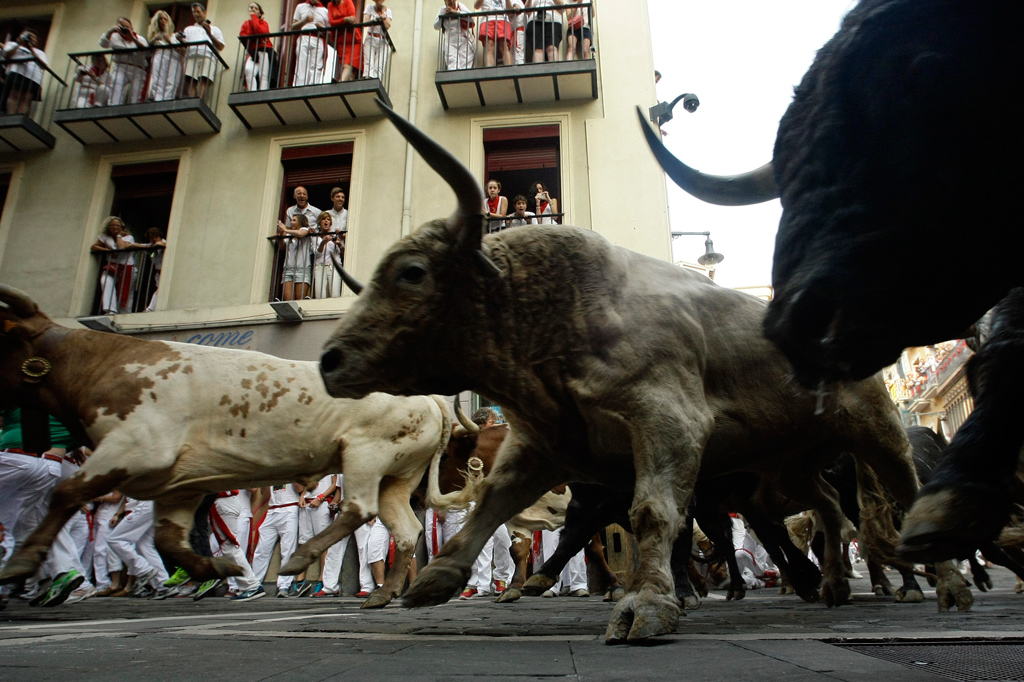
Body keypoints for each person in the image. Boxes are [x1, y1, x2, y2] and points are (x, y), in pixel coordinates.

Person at [250, 484, 304, 597]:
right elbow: (264, 493)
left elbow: (301, 489)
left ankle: (284, 585)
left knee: (287, 549)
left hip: (289, 508)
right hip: (272, 509)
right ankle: (254, 584)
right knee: (261, 549)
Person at [211, 490, 263, 600]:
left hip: (223, 500)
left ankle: (251, 586)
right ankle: (248, 586)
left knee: (230, 547)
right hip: (221, 501)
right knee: (227, 547)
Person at [278, 185, 319, 301]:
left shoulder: (304, 230)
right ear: (294, 196)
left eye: (294, 220)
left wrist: (285, 229)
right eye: (291, 220)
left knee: (299, 302)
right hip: (288, 269)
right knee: (288, 301)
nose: (291, 221)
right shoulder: (289, 233)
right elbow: (282, 247)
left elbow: (301, 234)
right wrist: (282, 233)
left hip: (302, 269)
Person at [90, 216, 136, 315]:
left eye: (117, 226)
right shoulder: (104, 236)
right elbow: (94, 247)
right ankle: (110, 310)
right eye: (112, 225)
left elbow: (122, 248)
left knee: (126, 293)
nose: (115, 227)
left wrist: (118, 236)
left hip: (127, 268)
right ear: (108, 227)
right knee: (105, 281)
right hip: (112, 266)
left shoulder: (128, 237)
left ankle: (125, 314)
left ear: (122, 227)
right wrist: (106, 250)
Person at [99, 18, 148, 105]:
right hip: (120, 66)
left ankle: (135, 110)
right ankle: (113, 108)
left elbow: (146, 52)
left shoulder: (140, 39)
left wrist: (132, 38)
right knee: (116, 87)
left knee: (136, 92)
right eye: (122, 26)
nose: (125, 29)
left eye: (127, 27)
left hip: (138, 68)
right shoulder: (114, 36)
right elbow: (103, 44)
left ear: (132, 28)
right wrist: (111, 31)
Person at [182, 3, 225, 99]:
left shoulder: (215, 29)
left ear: (205, 13)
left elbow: (221, 46)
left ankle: (199, 100)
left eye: (198, 11)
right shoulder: (188, 29)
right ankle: (191, 101)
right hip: (191, 55)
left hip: (207, 56)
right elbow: (184, 47)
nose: (196, 14)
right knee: (191, 80)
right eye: (194, 12)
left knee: (204, 80)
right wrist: (181, 40)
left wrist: (210, 34)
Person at [2, 28, 48, 116]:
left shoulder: (39, 52)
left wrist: (31, 48)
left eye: (32, 37)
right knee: (14, 95)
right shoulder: (12, 44)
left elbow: (43, 66)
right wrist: (19, 44)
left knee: (26, 98)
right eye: (27, 36)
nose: (29, 38)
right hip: (16, 73)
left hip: (32, 77)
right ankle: (11, 115)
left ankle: (19, 116)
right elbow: (6, 55)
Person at [290, 0, 329, 86]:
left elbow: (330, 32)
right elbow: (293, 26)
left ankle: (313, 87)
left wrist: (322, 28)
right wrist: (304, 21)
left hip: (318, 39)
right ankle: (299, 87)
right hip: (304, 37)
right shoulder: (300, 6)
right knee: (301, 64)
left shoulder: (325, 11)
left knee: (316, 66)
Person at [147, 11, 184, 101]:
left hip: (174, 58)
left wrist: (169, 41)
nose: (163, 21)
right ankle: (157, 100)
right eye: (161, 19)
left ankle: (167, 100)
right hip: (160, 56)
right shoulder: (155, 36)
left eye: (165, 19)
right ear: (157, 21)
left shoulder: (175, 36)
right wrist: (155, 38)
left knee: (172, 82)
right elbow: (149, 46)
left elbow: (182, 51)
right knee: (157, 80)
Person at [240, 2, 275, 91]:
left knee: (263, 75)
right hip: (253, 53)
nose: (253, 9)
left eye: (256, 8)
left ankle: (262, 93)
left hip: (264, 50)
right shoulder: (246, 24)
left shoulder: (263, 23)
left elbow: (260, 32)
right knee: (248, 70)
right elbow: (243, 36)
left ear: (259, 13)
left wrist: (254, 18)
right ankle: (252, 92)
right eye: (251, 7)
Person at [434, 0, 475, 72]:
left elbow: (471, 18)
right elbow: (436, 26)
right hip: (450, 40)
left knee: (465, 60)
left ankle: (464, 79)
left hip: (463, 38)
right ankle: (454, 77)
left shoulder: (460, 6)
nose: (450, 2)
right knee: (452, 60)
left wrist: (456, 12)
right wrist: (443, 15)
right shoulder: (442, 10)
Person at [328, 0, 361, 82]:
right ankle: (344, 84)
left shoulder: (348, 2)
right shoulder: (330, 5)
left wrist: (341, 22)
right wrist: (345, 20)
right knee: (346, 65)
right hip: (341, 40)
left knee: (348, 65)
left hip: (353, 40)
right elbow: (331, 22)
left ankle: (341, 82)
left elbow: (352, 19)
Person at [312, 212, 342, 299]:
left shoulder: (335, 235)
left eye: (328, 219)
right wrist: (322, 243)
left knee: (335, 294)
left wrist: (339, 244)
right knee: (319, 295)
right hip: (319, 267)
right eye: (323, 219)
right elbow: (316, 254)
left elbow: (343, 252)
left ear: (330, 223)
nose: (326, 221)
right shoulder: (315, 237)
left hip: (333, 266)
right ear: (319, 222)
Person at [362, 1, 393, 80]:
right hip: (371, 37)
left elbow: (387, 25)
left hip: (382, 39)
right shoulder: (369, 7)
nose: (379, 1)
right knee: (368, 62)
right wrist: (376, 19)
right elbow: (365, 22)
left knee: (379, 65)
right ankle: (367, 79)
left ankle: (376, 81)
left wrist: (383, 15)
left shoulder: (387, 11)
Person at [476, 0, 511, 67]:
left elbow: (510, 10)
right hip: (488, 19)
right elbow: (476, 6)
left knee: (504, 46)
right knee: (489, 46)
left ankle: (509, 71)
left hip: (502, 19)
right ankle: (490, 72)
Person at [143, 227, 166, 312]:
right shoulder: (151, 249)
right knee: (159, 290)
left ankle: (150, 308)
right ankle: (151, 308)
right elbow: (131, 245)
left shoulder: (163, 243)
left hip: (165, 272)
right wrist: (148, 247)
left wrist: (154, 246)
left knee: (159, 290)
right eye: (151, 238)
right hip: (159, 273)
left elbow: (160, 244)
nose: (154, 239)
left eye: (155, 237)